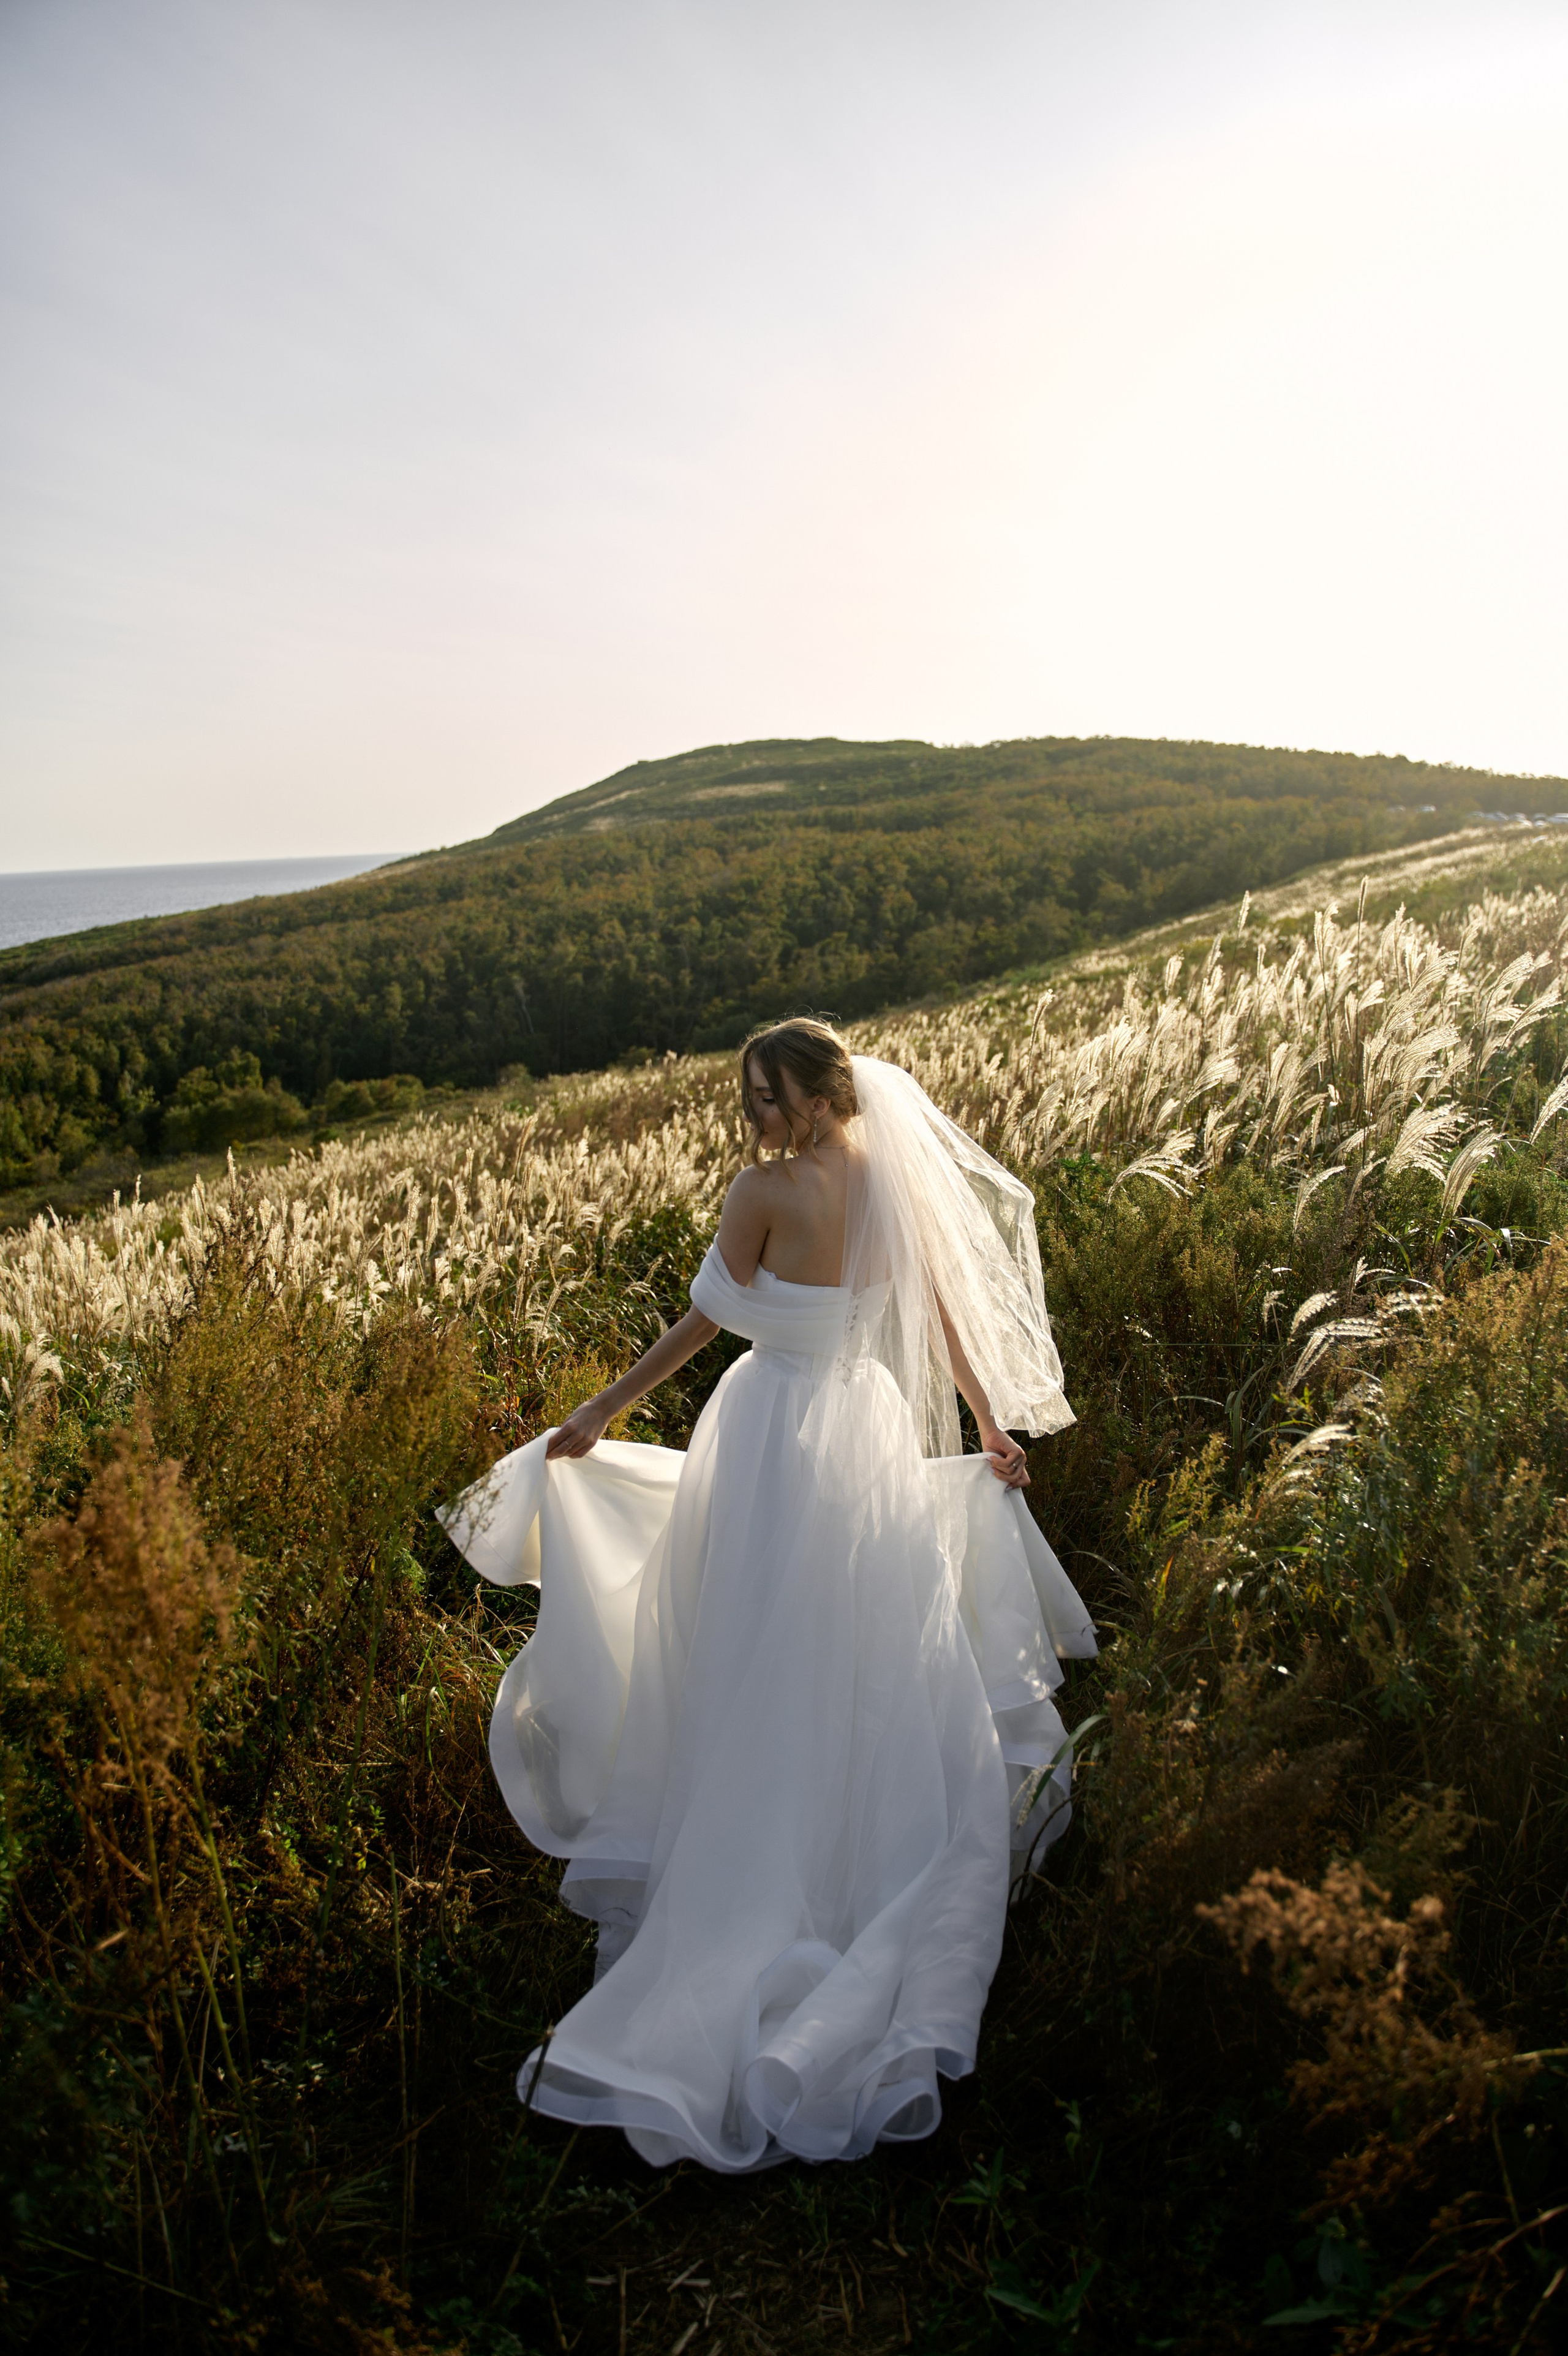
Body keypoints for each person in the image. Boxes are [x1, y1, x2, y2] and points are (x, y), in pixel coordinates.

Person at [439, 1018, 1095, 2172]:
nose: (757, 1115)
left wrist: (601, 1410)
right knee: (849, 1639)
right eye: (751, 1097)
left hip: (775, 1431)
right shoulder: (888, 1173)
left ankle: (757, 1854)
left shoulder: (764, 1191)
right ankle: (836, 1826)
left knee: (755, 1642)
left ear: (817, 1088)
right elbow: (938, 1304)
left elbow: (701, 1323)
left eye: (769, 1093)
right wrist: (986, 1421)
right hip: (867, 1426)